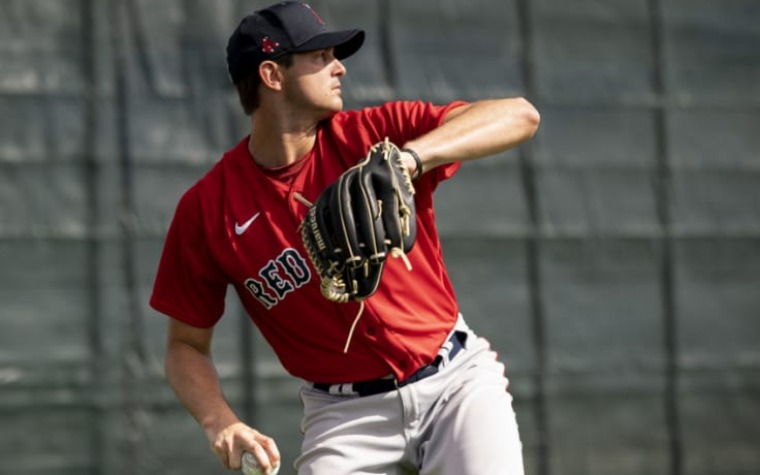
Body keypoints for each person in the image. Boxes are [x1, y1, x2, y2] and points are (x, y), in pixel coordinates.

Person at [150, 2, 540, 474]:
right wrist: (220, 421)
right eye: (320, 56)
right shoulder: (209, 209)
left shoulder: (374, 138)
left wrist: (411, 159)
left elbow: (520, 115)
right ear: (272, 75)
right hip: (345, 416)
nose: (339, 67)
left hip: (454, 383)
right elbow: (184, 346)